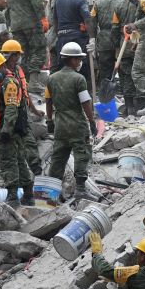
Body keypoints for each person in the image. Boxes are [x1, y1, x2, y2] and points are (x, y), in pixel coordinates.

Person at [0, 50, 34, 207]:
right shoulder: (3, 82)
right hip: (5, 126)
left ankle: (13, 197)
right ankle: (28, 195)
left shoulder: (9, 84)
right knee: (19, 160)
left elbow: (12, 108)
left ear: (1, 67)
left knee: (8, 161)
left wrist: (6, 130)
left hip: (6, 128)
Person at [45, 42, 94, 197]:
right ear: (72, 60)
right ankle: (80, 190)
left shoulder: (51, 79)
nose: (80, 62)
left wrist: (49, 121)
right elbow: (85, 102)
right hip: (77, 125)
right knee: (81, 153)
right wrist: (91, 121)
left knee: (58, 157)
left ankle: (52, 194)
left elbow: (48, 101)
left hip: (60, 125)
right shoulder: (79, 79)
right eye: (78, 59)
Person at [4, 0, 48, 95]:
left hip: (16, 26)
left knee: (23, 54)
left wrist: (11, 25)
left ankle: (25, 83)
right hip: (31, 22)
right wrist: (43, 18)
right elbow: (35, 0)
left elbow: (8, 8)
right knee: (39, 49)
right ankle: (34, 83)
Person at [0, 39, 45, 176]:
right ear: (10, 55)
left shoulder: (18, 70)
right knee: (10, 143)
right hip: (7, 111)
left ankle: (35, 167)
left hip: (21, 109)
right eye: (17, 55)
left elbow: (25, 92)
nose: (19, 58)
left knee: (28, 138)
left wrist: (34, 110)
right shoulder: (0, 71)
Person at [53, 0, 95, 86]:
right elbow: (87, 20)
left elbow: (55, 22)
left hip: (62, 39)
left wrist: (61, 35)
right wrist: (92, 38)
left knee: (63, 69)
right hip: (77, 39)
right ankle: (84, 98)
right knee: (82, 70)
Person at [90, 0, 126, 99]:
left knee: (105, 71)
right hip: (121, 40)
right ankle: (127, 101)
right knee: (123, 70)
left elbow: (92, 23)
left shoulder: (98, 3)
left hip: (103, 41)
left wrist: (93, 40)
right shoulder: (123, 3)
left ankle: (105, 99)